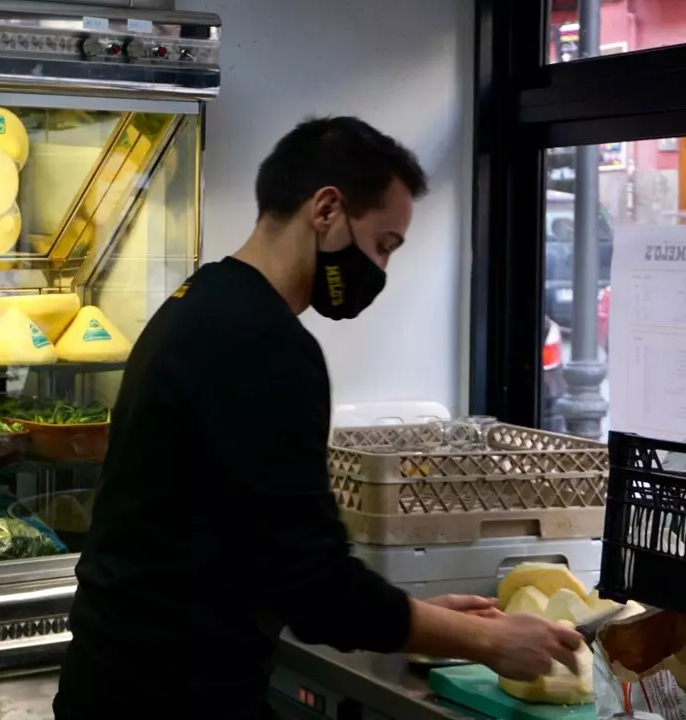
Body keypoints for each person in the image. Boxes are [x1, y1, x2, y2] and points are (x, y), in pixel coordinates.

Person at [52, 117, 583, 719]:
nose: (380, 270)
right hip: (174, 695)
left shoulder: (199, 302)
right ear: (326, 210)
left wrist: (426, 621)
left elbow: (260, 548)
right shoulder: (266, 344)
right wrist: (485, 639)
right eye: (384, 244)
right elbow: (315, 590)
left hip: (113, 679)